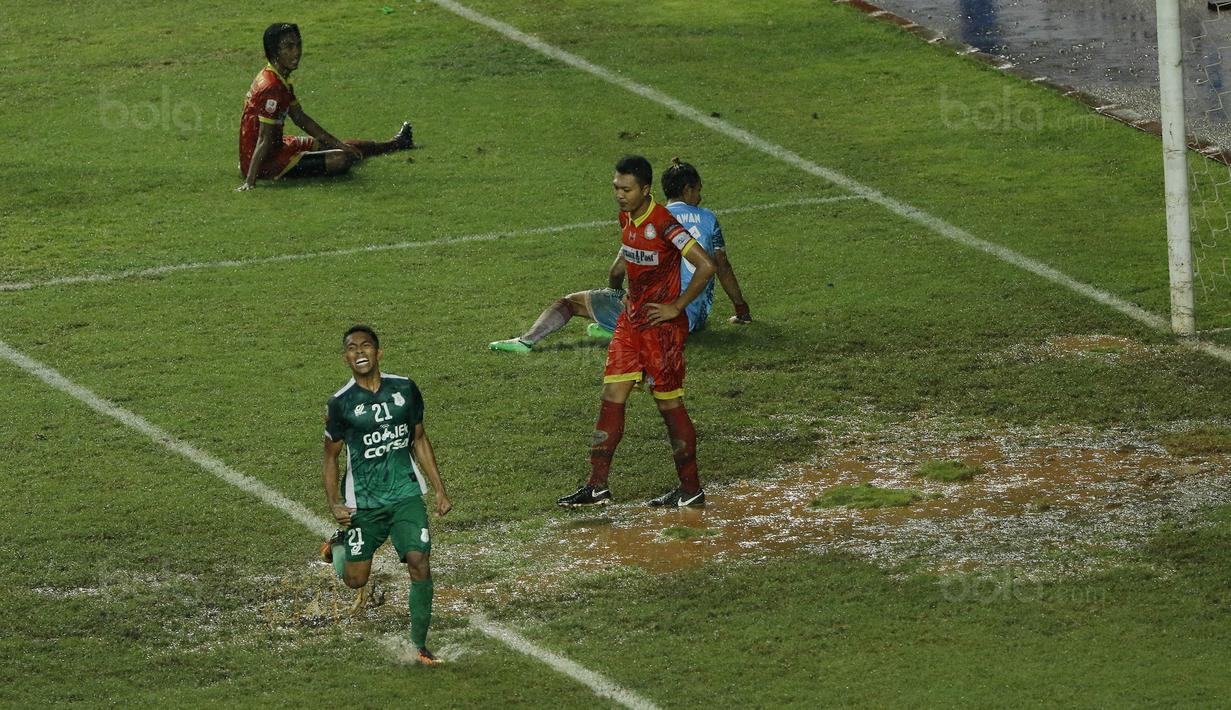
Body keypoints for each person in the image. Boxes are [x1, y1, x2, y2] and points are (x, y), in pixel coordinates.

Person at [557, 155, 717, 509]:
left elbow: (707, 265)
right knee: (612, 393)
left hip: (662, 330)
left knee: (668, 404)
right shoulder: (626, 217)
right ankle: (597, 486)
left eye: (626, 189)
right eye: (615, 187)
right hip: (632, 323)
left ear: (646, 189)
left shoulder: (664, 223)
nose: (619, 194)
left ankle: (691, 490)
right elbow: (626, 265)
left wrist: (676, 306)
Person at [488, 158, 750, 353]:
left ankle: (526, 341)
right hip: (693, 319)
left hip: (659, 316)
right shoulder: (706, 218)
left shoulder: (652, 219)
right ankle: (614, 323)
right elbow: (719, 265)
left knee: (572, 302)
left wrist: (617, 295)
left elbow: (617, 271)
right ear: (689, 190)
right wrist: (740, 308)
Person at [320, 325, 452, 665]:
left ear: (379, 352)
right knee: (355, 579)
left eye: (366, 346)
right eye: (352, 347)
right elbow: (331, 457)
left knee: (419, 562)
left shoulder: (405, 389)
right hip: (365, 503)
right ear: (345, 357)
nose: (359, 352)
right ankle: (339, 546)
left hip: (406, 494)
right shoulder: (341, 404)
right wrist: (335, 502)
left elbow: (419, 439)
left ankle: (420, 646)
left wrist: (439, 488)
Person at [236, 23, 414, 192]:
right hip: (267, 163)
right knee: (341, 159)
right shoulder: (272, 86)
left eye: (298, 45)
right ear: (275, 52)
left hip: (276, 148)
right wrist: (250, 181)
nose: (297, 52)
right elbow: (263, 138)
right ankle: (393, 144)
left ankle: (395, 143)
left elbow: (299, 117)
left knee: (338, 147)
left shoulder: (277, 77)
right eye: (289, 47)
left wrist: (338, 143)